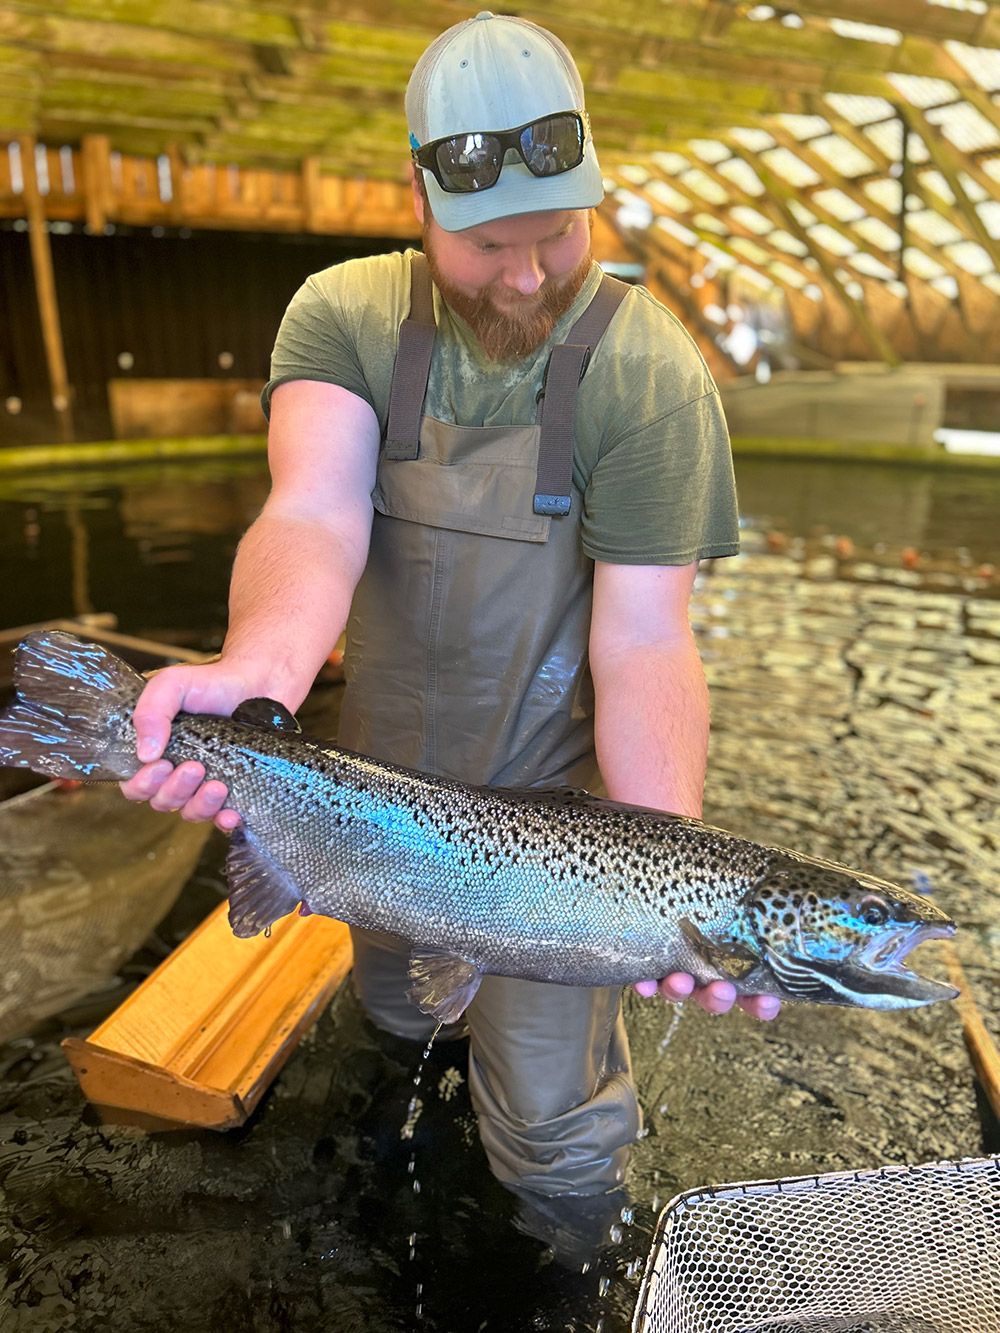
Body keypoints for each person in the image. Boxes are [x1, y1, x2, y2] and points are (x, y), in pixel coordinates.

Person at [121, 12, 780, 1207]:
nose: (528, 275)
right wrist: (255, 670)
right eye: (490, 245)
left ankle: (567, 1263)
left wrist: (670, 882)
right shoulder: (342, 316)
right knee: (396, 1025)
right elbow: (312, 515)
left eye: (559, 235)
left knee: (552, 1130)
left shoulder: (650, 370)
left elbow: (643, 643)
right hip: (372, 806)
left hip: (559, 844)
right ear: (418, 195)